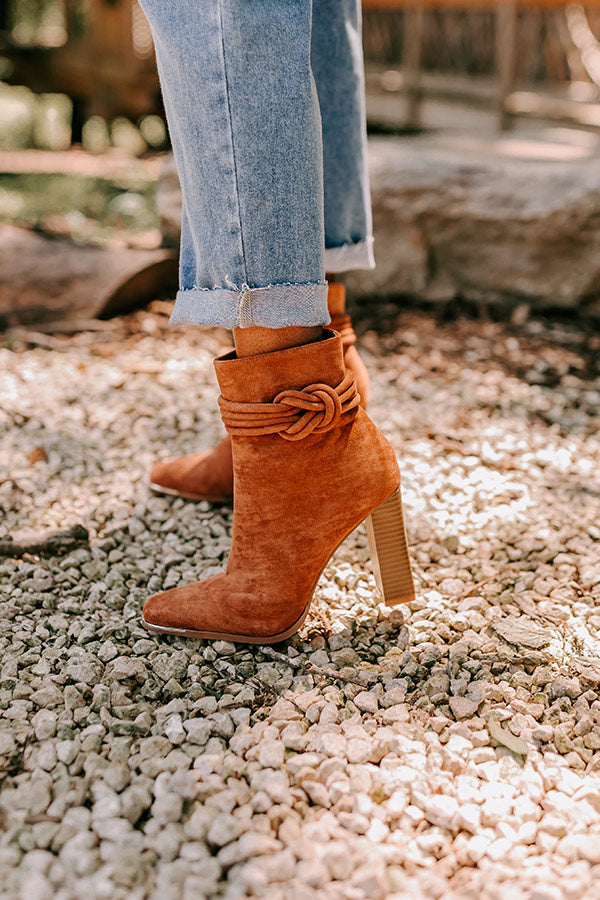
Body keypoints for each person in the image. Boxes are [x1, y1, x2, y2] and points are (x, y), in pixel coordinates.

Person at [137, 0, 414, 644]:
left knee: (220, 15)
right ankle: (311, 411)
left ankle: (296, 445)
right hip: (313, 404)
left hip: (302, 416)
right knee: (308, 19)